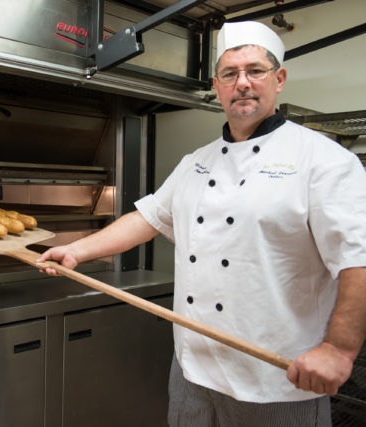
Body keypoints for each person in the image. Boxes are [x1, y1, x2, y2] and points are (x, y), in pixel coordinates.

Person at [37, 20, 366, 426]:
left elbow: (358, 261)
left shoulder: (324, 160)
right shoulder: (196, 162)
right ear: (217, 84)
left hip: (275, 379)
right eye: (230, 74)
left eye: (255, 71)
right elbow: (148, 218)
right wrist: (77, 250)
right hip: (194, 372)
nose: (242, 83)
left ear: (278, 79)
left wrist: (339, 349)